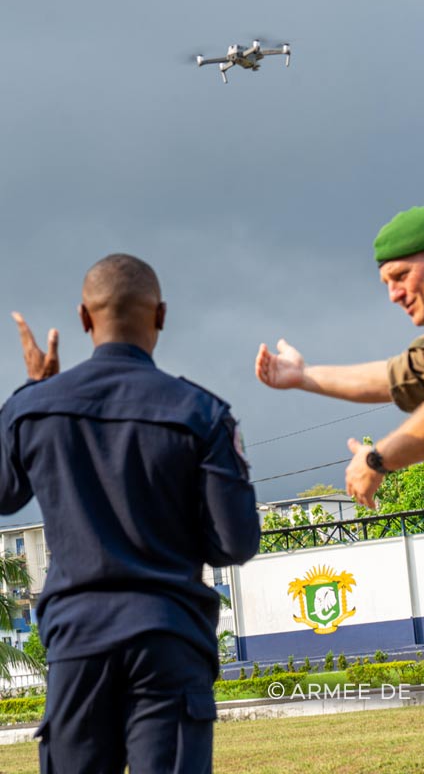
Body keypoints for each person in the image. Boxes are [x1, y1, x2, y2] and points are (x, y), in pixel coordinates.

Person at [255, 206, 424, 774]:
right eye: (385, 284)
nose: (393, 295)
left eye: (400, 277)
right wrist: (302, 378)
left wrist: (377, 460)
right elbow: (387, 377)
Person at [1, 253, 260, 774]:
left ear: (82, 318)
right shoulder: (202, 414)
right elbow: (236, 543)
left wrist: (33, 391)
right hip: (169, 639)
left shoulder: (36, 410)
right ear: (160, 315)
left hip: (78, 643)